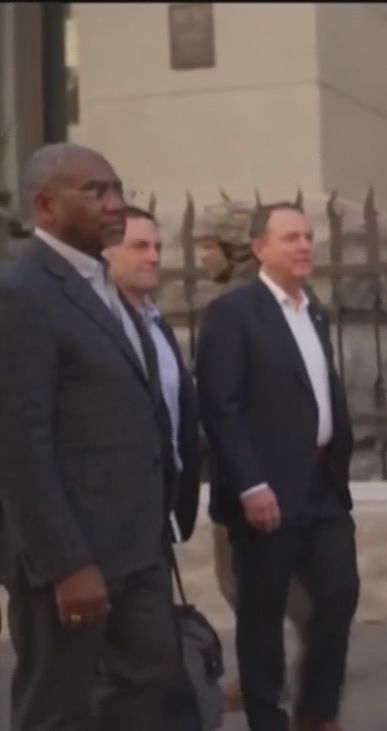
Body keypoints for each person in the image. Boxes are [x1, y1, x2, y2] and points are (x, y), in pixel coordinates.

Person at [0, 143, 178, 729]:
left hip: (137, 550)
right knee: (59, 711)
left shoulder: (104, 285)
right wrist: (65, 563)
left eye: (118, 190)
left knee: (144, 691)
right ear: (45, 207)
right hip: (72, 563)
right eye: (95, 192)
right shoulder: (22, 293)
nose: (115, 204)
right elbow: (19, 445)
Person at [196, 202, 358, 731]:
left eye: (308, 236)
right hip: (265, 489)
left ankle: (316, 713)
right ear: (259, 248)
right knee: (262, 613)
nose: (304, 246)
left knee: (339, 593)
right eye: (290, 238)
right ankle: (267, 718)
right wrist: (250, 484)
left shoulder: (314, 312)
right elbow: (220, 406)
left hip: (320, 484)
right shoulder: (233, 313)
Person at [192, 198, 314, 713]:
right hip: (265, 470)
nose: (200, 257)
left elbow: (225, 401)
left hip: (252, 473)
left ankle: (277, 673)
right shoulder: (266, 297)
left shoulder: (244, 304)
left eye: (206, 247)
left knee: (245, 582)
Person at [104, 205, 203, 543]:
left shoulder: (158, 326)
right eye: (139, 246)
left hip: (165, 507)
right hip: (118, 514)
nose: (153, 257)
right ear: (105, 253)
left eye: (157, 247)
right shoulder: (97, 328)